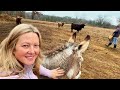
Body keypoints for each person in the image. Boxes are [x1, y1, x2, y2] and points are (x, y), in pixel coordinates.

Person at [0, 24, 65, 79]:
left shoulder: (25, 63)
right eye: (25, 45)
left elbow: (34, 66)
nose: (32, 51)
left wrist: (49, 73)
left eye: (36, 45)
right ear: (12, 48)